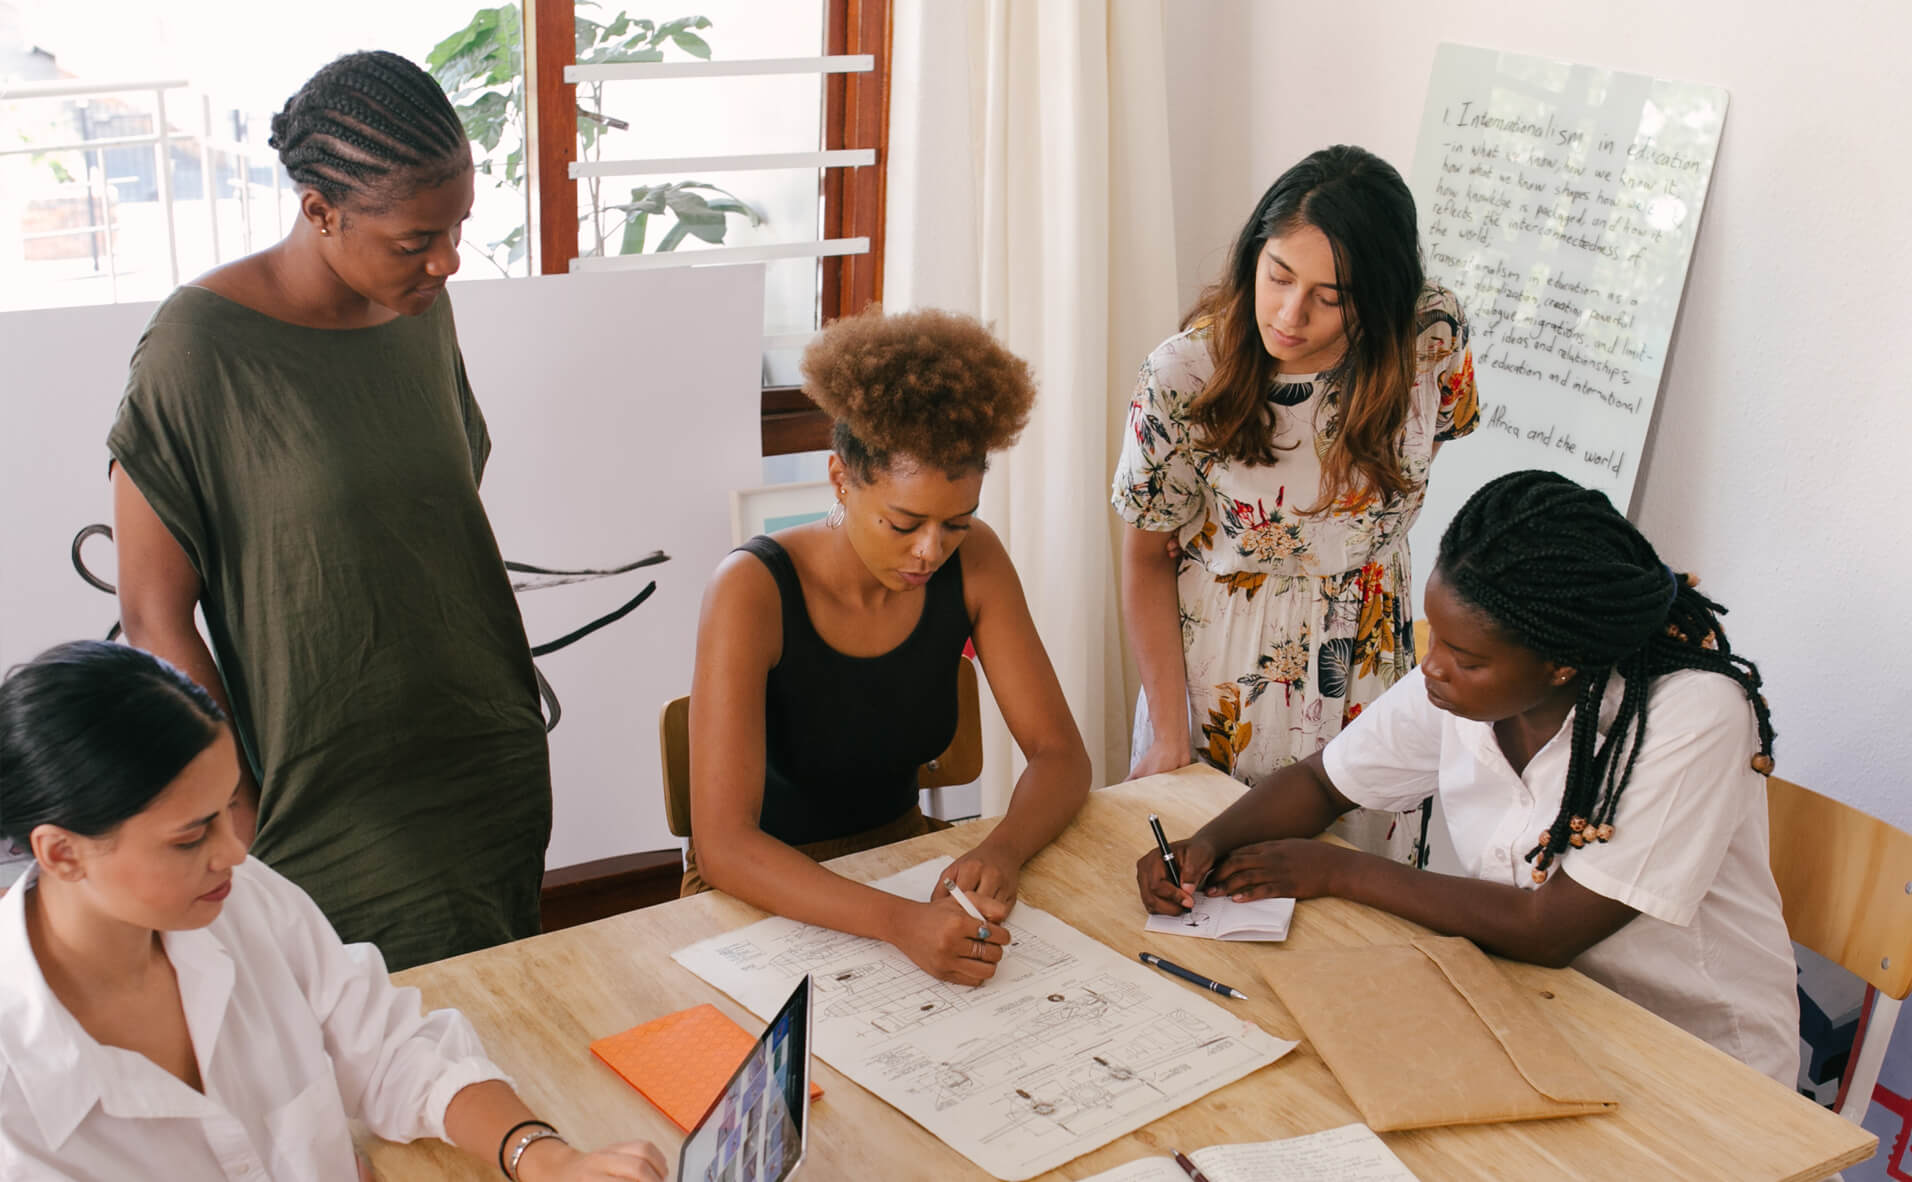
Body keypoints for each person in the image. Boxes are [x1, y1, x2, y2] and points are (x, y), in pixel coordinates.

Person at [1135, 470, 1799, 1086]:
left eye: (1465, 658)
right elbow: (1323, 783)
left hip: (1696, 1061)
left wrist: (1338, 870)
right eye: (1438, 640)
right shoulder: (1462, 686)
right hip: (1538, 1011)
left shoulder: (1692, 714)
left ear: (1562, 664)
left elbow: (1548, 928)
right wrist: (1207, 844)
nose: (1432, 666)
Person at [107, 51, 550, 970]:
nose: (446, 260)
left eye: (458, 227)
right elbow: (153, 616)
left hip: (484, 755)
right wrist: (232, 806)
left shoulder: (419, 307)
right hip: (324, 794)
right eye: (415, 240)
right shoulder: (198, 348)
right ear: (320, 210)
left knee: (500, 1016)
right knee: (362, 1033)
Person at [0, 641, 666, 1182]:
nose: (235, 852)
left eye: (229, 808)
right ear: (61, 853)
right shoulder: (15, 1092)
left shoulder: (242, 901)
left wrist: (545, 1158)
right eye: (190, 837)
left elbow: (389, 1052)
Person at [688, 307, 1092, 986]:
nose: (931, 551)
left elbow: (1061, 756)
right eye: (904, 524)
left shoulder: (976, 561)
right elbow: (724, 847)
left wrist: (1002, 850)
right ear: (841, 479)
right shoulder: (751, 589)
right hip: (761, 893)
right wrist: (898, 923)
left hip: (902, 864)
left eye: (956, 523)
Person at [1112, 144, 1479, 862]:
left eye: (1330, 297)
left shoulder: (1430, 334)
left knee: (1362, 893)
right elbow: (1145, 556)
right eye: (1277, 275)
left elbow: (1427, 447)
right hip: (1229, 672)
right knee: (1216, 883)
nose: (1289, 313)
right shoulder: (1184, 373)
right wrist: (1170, 732)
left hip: (1373, 659)